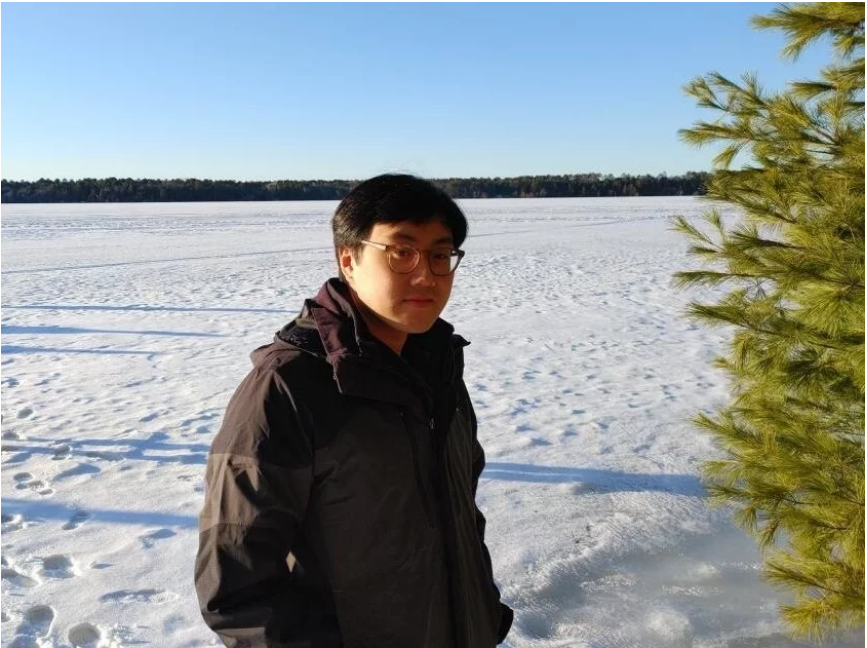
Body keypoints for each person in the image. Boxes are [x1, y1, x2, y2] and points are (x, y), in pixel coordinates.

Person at [195, 173, 514, 648]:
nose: (426, 275)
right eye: (401, 252)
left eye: (440, 255)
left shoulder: (438, 370)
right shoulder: (289, 387)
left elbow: (461, 516)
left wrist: (482, 613)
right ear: (349, 259)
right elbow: (237, 587)